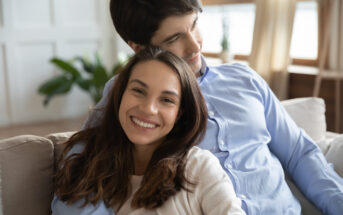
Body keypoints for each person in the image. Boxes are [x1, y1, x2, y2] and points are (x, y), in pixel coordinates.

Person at [55, 0, 343, 214]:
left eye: (193, 26)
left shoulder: (245, 79)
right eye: (174, 38)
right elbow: (83, 172)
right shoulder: (134, 98)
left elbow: (300, 153)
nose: (195, 47)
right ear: (140, 48)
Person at [51, 47, 246, 215]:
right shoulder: (87, 168)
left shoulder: (199, 167)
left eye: (167, 100)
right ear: (120, 94)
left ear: (179, 114)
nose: (148, 109)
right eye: (138, 91)